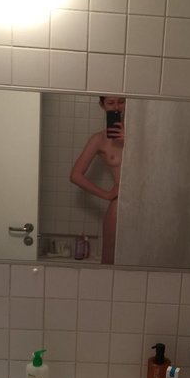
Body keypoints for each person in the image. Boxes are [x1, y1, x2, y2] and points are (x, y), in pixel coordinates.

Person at [70, 96, 125, 264]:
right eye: (110, 103)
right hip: (119, 205)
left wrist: (132, 141)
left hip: (148, 205)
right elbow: (75, 175)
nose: (116, 107)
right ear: (102, 105)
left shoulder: (144, 134)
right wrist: (107, 195)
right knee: (109, 259)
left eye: (121, 101)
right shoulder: (99, 139)